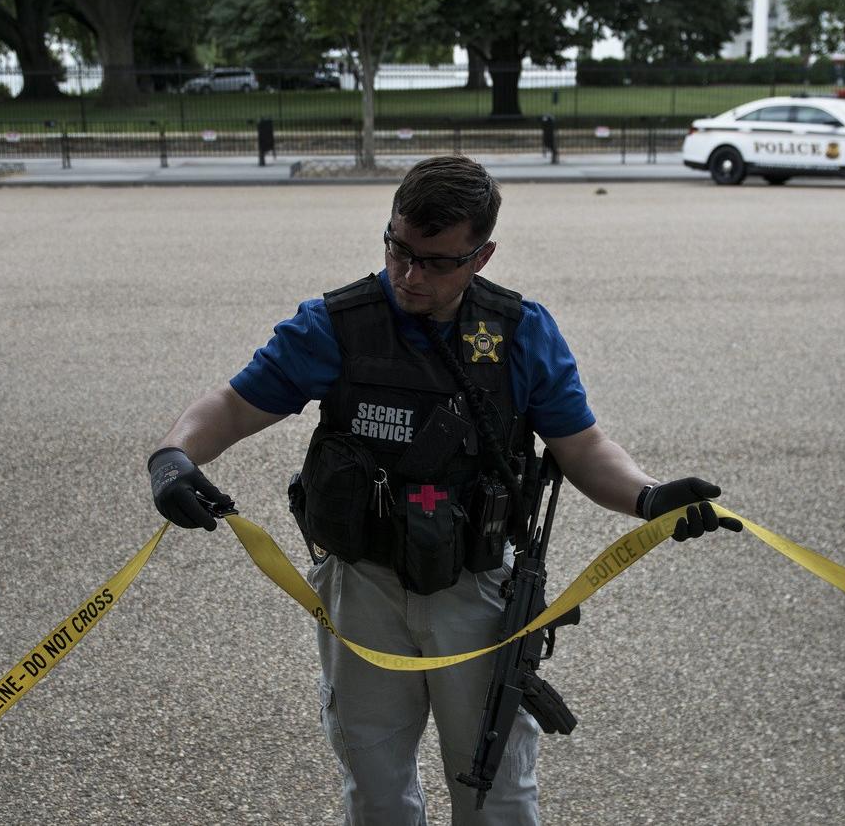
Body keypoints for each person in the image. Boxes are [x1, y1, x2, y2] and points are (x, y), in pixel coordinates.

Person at [149, 155, 740, 825]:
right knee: (374, 786)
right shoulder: (337, 325)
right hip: (362, 584)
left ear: (481, 255)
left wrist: (648, 497)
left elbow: (585, 448)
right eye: (398, 249)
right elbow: (231, 405)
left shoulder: (522, 333)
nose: (409, 275)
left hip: (479, 588)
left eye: (437, 261)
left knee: (495, 793)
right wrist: (173, 457)